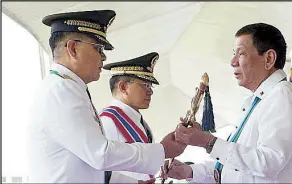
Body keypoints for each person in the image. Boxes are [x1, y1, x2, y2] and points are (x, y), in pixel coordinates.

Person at [26, 10, 186, 183]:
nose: (104, 56)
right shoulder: (60, 91)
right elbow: (100, 155)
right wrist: (162, 150)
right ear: (73, 49)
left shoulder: (68, 88)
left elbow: (90, 166)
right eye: (98, 48)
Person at [163, 23, 292, 183]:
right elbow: (236, 170)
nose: (233, 62)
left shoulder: (282, 97)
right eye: (235, 54)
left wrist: (207, 142)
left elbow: (267, 163)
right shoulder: (260, 101)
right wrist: (189, 171)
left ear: (268, 59)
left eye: (241, 54)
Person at [99, 52, 161, 183]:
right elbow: (102, 171)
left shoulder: (137, 119)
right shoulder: (108, 120)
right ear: (123, 87)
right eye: (145, 85)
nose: (150, 91)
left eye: (151, 86)